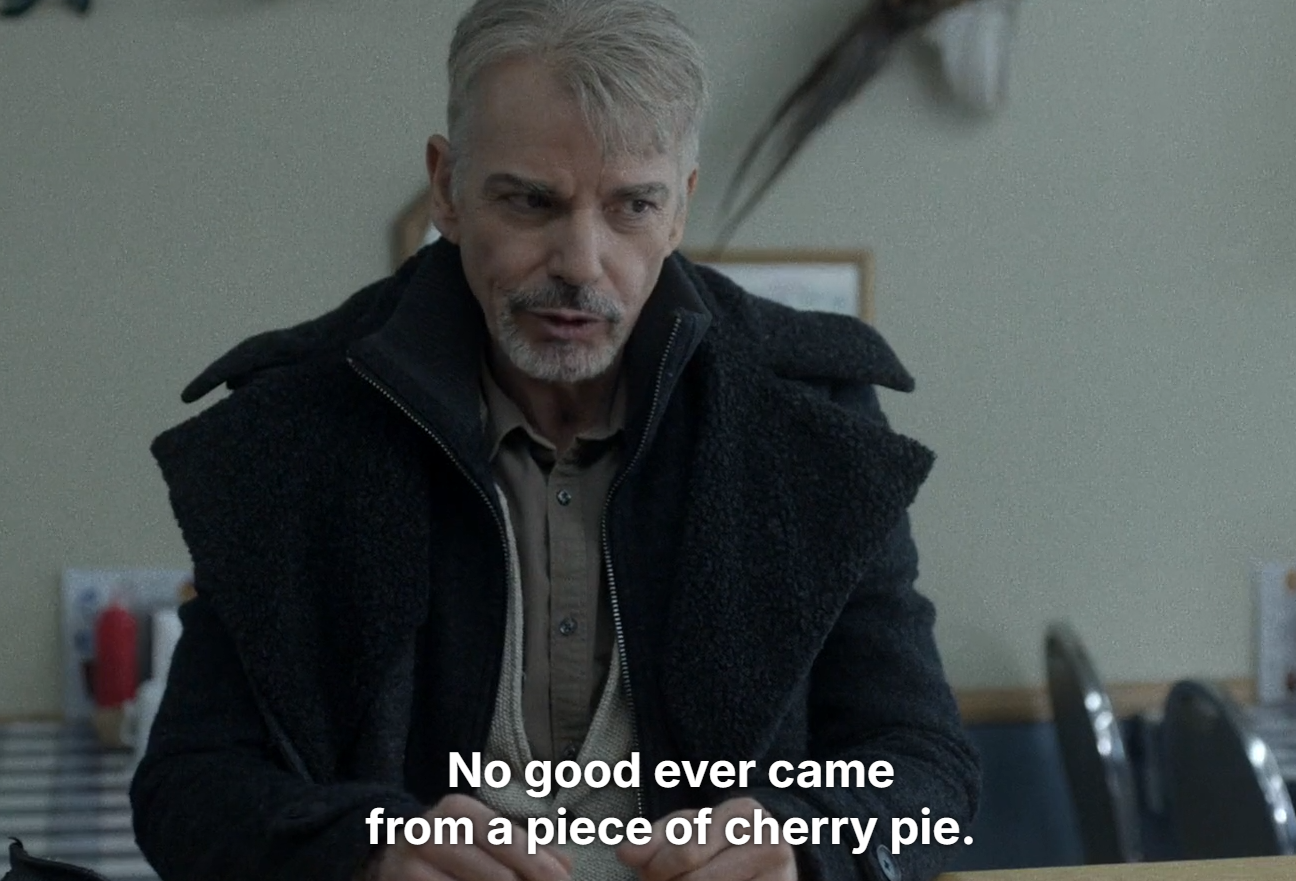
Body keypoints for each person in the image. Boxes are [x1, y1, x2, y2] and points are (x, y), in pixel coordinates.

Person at [130, 1, 980, 880]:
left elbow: (927, 772)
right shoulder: (298, 425)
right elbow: (188, 790)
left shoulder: (810, 418)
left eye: (632, 207)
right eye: (532, 202)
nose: (580, 261)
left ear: (680, 208)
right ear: (447, 189)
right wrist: (365, 848)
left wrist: (807, 843)